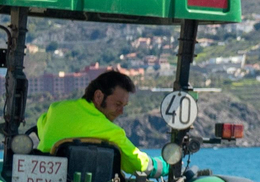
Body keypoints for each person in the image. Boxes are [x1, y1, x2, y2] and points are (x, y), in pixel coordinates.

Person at [35, 69, 166, 175]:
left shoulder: (56, 109)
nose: (121, 112)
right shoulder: (112, 132)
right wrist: (163, 165)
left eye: (123, 106)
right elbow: (139, 164)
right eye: (118, 104)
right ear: (98, 96)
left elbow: (41, 129)